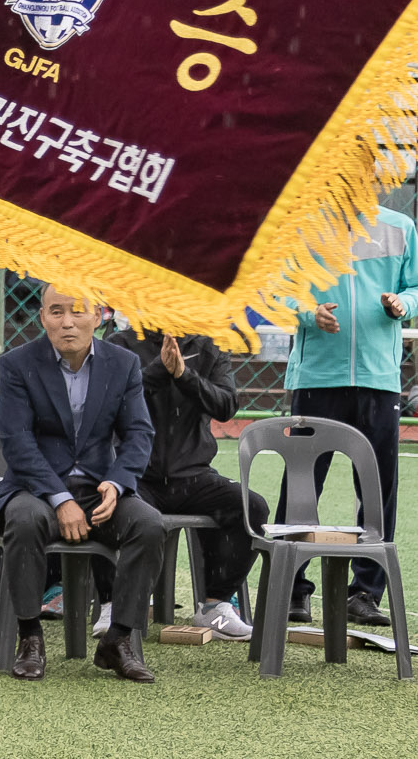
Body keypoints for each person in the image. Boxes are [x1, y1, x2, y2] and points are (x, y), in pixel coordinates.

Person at [0, 285, 164, 682]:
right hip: (35, 486)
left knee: (150, 525)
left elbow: (138, 434)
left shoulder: (124, 363)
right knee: (25, 520)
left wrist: (116, 484)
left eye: (78, 311)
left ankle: (117, 640)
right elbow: (16, 439)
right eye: (57, 311)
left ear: (98, 316)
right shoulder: (17, 364)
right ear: (42, 317)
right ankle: (30, 637)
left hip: (100, 487)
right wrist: (60, 497)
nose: (68, 322)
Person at [284, 207, 418, 625]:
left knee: (378, 489)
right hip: (316, 378)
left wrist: (403, 303)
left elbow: (415, 286)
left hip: (379, 380)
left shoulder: (400, 227)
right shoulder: (301, 224)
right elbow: (279, 291)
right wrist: (309, 312)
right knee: (301, 483)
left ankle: (364, 594)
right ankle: (293, 589)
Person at [111, 324, 265, 639]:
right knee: (112, 507)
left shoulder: (209, 344)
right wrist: (159, 370)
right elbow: (111, 401)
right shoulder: (121, 342)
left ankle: (215, 605)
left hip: (193, 474)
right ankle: (112, 606)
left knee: (250, 507)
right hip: (136, 474)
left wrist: (184, 375)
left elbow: (225, 406)